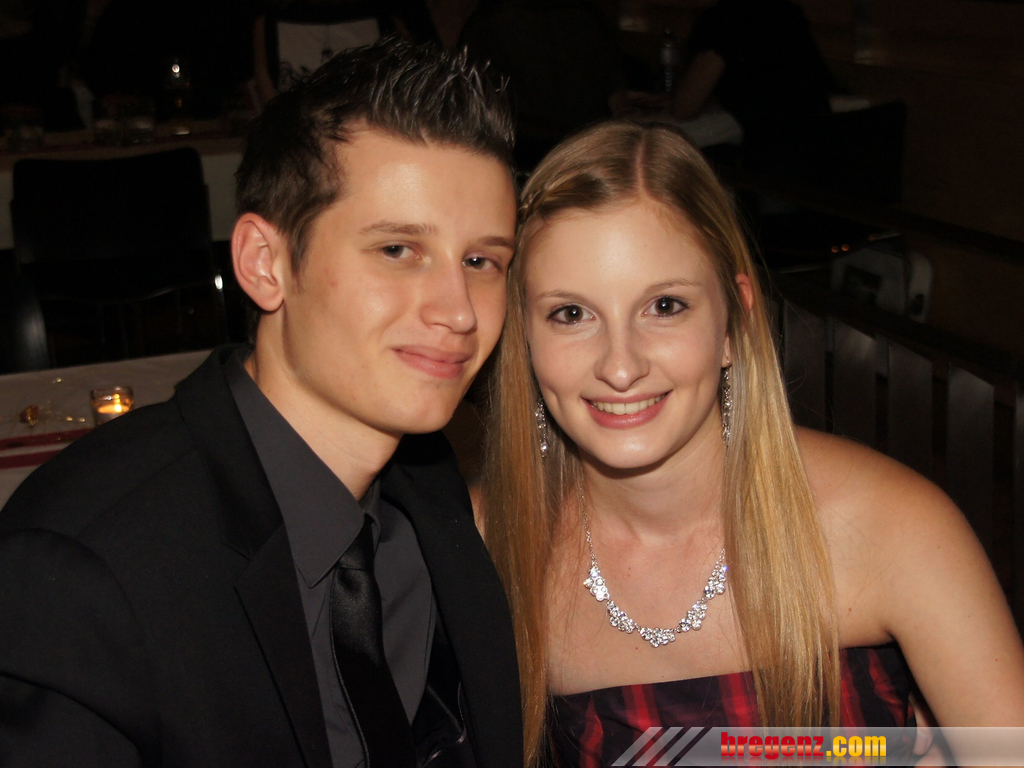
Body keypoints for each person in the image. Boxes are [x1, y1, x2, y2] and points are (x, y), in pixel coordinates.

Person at [0, 38, 522, 768]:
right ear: (264, 263)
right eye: (398, 250)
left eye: (481, 261)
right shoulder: (83, 573)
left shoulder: (435, 493)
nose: (459, 311)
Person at [480, 118, 1024, 766]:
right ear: (524, 335)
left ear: (734, 320)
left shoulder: (891, 528)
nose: (620, 367)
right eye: (571, 314)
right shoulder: (486, 541)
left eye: (665, 306)